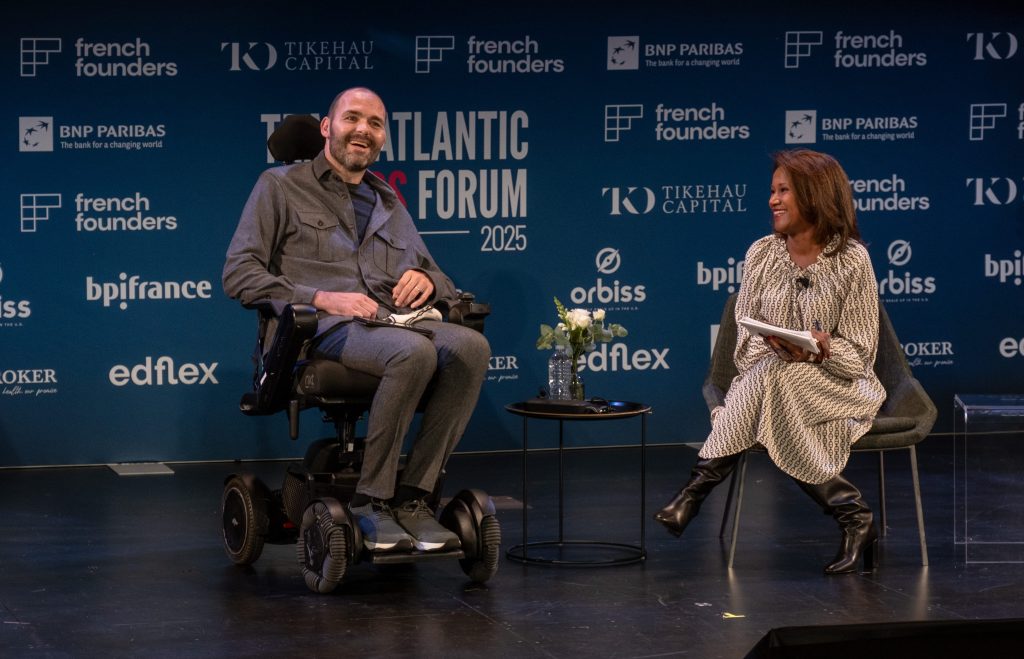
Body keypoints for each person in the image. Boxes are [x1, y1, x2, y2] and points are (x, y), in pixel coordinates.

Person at [223, 87, 490, 554]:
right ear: (328, 128)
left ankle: (414, 499)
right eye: (353, 118)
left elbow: (441, 278)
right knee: (412, 351)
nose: (363, 130)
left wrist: (427, 281)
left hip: (389, 324)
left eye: (375, 123)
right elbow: (239, 273)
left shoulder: (387, 202)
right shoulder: (280, 186)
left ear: (383, 138)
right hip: (318, 331)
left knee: (472, 347)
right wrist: (323, 297)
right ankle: (372, 501)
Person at [654, 148, 885, 575]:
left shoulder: (853, 260)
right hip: (772, 379)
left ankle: (693, 492)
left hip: (837, 386)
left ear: (815, 196)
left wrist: (821, 349)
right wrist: (783, 349)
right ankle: (855, 517)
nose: (772, 200)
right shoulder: (761, 253)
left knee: (776, 385)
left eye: (783, 191)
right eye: (772, 190)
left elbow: (861, 355)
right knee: (776, 379)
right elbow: (746, 345)